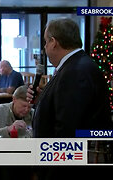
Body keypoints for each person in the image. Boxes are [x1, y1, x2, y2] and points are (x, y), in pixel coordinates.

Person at [27, 17, 113, 180]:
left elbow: (67, 129)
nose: (45, 47)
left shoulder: (75, 72)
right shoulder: (75, 65)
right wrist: (42, 100)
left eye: (46, 42)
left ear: (53, 42)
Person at [0, 85, 34, 180]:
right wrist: (8, 129)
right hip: (1, 159)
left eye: (29, 107)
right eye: (24, 106)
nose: (26, 110)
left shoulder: (33, 114)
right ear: (14, 99)